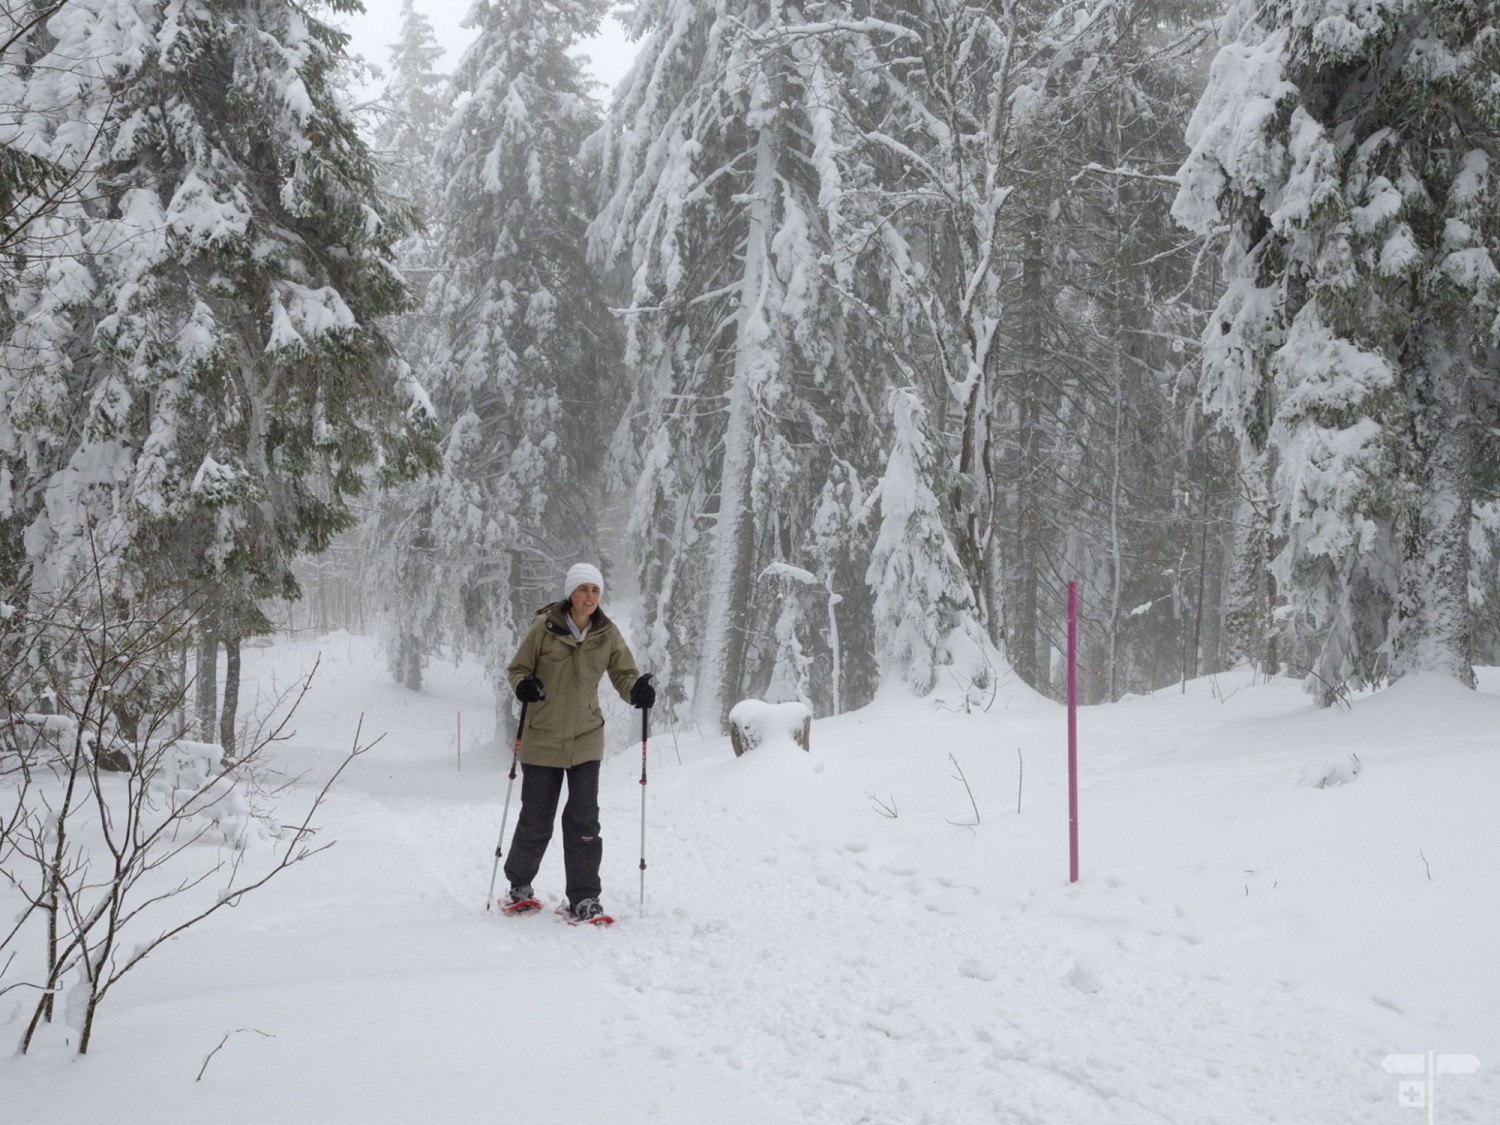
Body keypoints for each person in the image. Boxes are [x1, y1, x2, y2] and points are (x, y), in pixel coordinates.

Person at [502, 562, 655, 921]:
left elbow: (624, 674)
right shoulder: (544, 628)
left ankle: (584, 899)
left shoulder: (607, 633)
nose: (590, 597)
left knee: (584, 821)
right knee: (537, 818)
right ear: (571, 593)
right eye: (584, 589)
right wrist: (524, 685)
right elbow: (518, 669)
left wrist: (638, 691)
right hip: (543, 738)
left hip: (586, 739)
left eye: (596, 590)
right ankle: (519, 886)